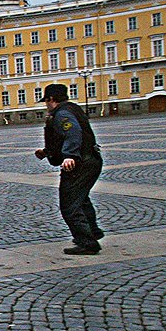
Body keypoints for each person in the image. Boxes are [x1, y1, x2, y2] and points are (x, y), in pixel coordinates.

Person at [35, 83, 104, 255]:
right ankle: (92, 231)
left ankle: (87, 243)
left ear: (51, 99)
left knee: (69, 205)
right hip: (92, 160)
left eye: (46, 101)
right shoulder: (72, 109)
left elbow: (73, 133)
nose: (46, 105)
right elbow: (61, 139)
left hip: (80, 164)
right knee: (81, 199)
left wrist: (70, 156)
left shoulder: (63, 114)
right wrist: (46, 152)